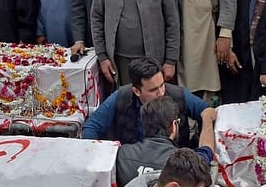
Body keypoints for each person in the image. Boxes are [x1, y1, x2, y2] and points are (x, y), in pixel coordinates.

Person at [82, 57, 213, 148]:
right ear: (137, 91)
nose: (161, 92)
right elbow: (90, 128)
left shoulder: (178, 94)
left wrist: (199, 144)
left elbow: (208, 111)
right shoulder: (121, 97)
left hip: (173, 164)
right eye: (153, 90)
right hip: (132, 162)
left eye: (162, 85)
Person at [115, 95, 217, 187]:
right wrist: (207, 119)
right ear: (173, 126)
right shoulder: (185, 163)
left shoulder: (120, 153)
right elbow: (206, 149)